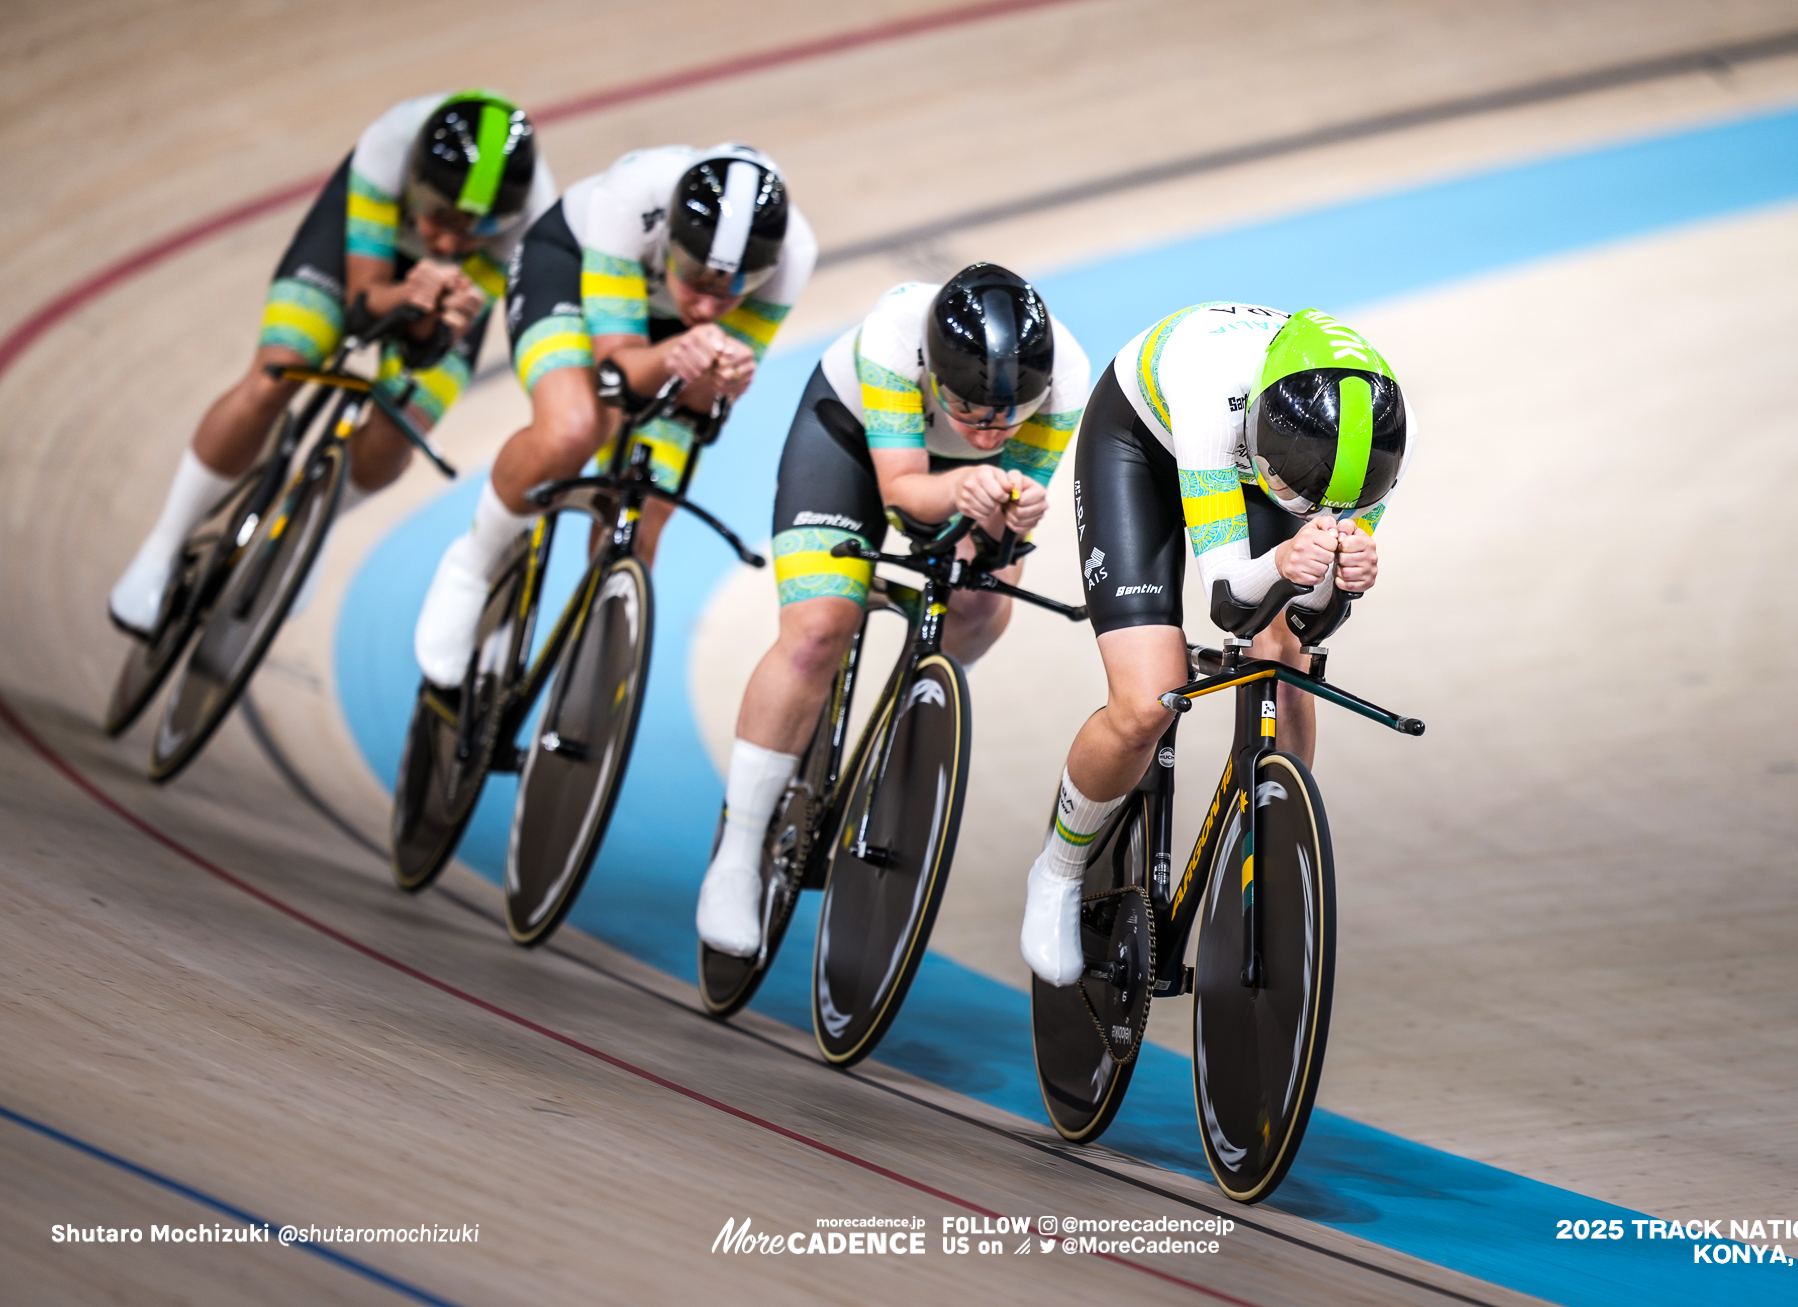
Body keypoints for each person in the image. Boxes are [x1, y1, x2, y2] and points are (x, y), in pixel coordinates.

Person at [696, 264, 1091, 956]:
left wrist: (1012, 514)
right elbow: (904, 491)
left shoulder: (1066, 378)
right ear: (933, 375)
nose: (992, 426)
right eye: (970, 408)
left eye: (1010, 415)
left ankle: (910, 715)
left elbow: (1004, 545)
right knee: (819, 630)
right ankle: (738, 845)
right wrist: (969, 478)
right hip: (852, 442)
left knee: (981, 600)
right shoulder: (891, 337)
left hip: (952, 479)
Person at [1019, 303, 1414, 984]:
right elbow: (1231, 599)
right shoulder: (1211, 387)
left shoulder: (1373, 441)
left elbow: (1310, 624)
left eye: (1332, 503)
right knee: (1146, 702)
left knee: (1287, 662)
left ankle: (1276, 860)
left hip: (1277, 464)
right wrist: (1291, 564)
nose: (1317, 510)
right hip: (1142, 444)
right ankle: (1057, 866)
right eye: (1300, 491)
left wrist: (1343, 581)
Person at [109, 91, 556, 635]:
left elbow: (428, 346)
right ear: (415, 182)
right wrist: (407, 291)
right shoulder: (390, 145)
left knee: (401, 430)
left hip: (441, 291)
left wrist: (435, 318)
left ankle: (312, 527)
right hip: (364, 259)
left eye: (471, 232)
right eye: (438, 218)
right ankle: (161, 548)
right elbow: (360, 306)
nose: (445, 241)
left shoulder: (530, 226)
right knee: (275, 374)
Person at [411, 143, 817, 687]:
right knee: (575, 428)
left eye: (733, 289)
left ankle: (591, 689)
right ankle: (472, 562)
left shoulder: (793, 256)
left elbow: (701, 410)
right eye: (695, 275)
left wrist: (725, 380)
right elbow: (614, 376)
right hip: (574, 279)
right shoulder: (631, 198)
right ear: (668, 240)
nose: (706, 305)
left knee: (646, 508)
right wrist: (677, 357)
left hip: (666, 341)